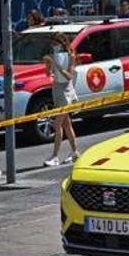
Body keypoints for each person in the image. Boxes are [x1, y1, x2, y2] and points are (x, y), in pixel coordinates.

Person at [43, 33, 79, 167]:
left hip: (66, 93)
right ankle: (75, 151)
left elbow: (69, 76)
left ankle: (55, 156)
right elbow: (48, 74)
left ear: (62, 43)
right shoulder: (54, 56)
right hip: (56, 91)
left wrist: (56, 64)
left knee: (56, 124)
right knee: (66, 124)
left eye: (56, 42)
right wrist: (47, 64)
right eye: (53, 43)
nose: (54, 45)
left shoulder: (70, 56)